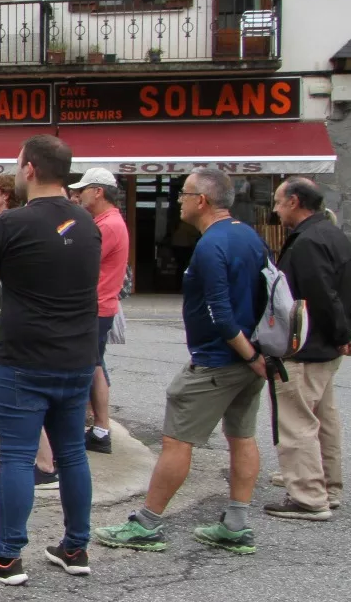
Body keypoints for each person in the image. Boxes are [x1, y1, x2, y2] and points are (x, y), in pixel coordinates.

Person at [98, 168, 269, 555]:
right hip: (247, 359)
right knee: (242, 436)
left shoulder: (211, 245)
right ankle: (236, 524)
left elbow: (220, 315)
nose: (179, 201)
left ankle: (147, 524)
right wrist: (257, 356)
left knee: (177, 441)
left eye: (184, 194)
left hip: (218, 360)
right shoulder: (249, 236)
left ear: (202, 201)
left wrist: (250, 355)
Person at [0, 135, 100, 584]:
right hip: (77, 354)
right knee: (72, 453)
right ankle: (76, 546)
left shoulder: (12, 223)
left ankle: (6, 556)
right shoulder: (87, 222)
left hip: (26, 355)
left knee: (18, 456)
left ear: (30, 169)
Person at [266, 177, 351, 520]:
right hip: (326, 348)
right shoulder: (334, 235)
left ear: (294, 201)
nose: (276, 210)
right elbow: (350, 292)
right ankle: (328, 488)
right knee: (324, 420)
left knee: (297, 422)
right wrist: (346, 332)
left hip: (304, 347)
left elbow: (320, 296)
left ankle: (308, 496)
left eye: (278, 202)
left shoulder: (307, 242)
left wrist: (342, 333)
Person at [69, 168, 127, 454]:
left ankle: (94, 429)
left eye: (83, 190)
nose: (78, 195)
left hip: (95, 306)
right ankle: (100, 429)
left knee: (88, 366)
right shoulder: (105, 221)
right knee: (93, 365)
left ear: (98, 191)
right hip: (98, 305)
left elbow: (77, 260)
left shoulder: (108, 225)